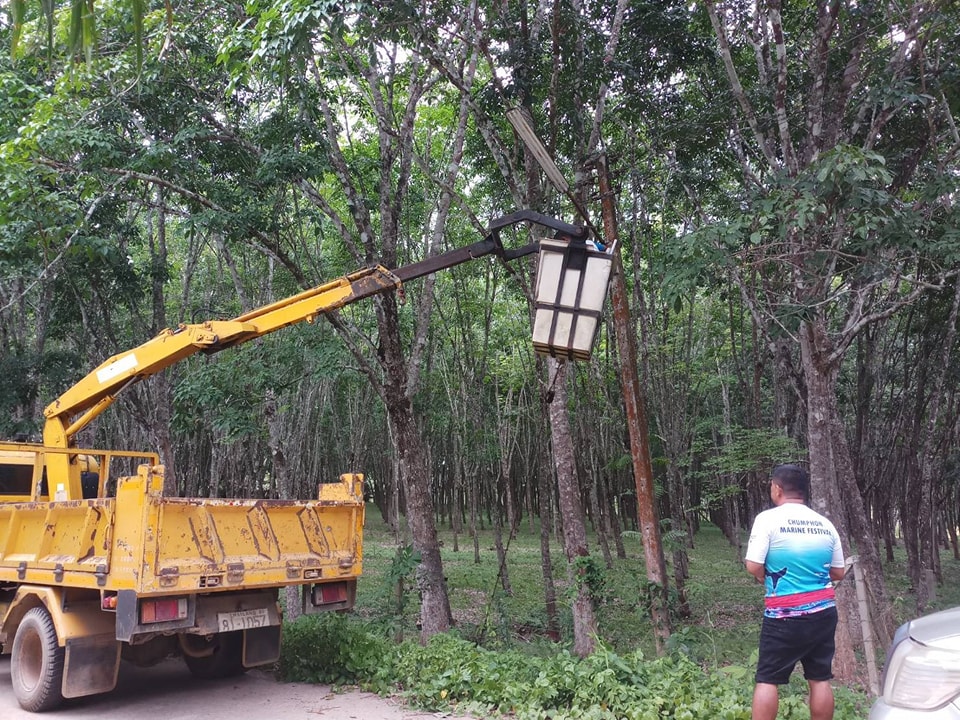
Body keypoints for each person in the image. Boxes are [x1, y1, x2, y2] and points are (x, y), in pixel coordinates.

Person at [744, 464, 846, 720]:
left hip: (784, 614)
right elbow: (838, 572)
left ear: (777, 489)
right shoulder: (825, 524)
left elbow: (753, 565)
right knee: (820, 678)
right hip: (824, 612)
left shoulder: (767, 519)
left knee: (767, 679)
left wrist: (766, 573)